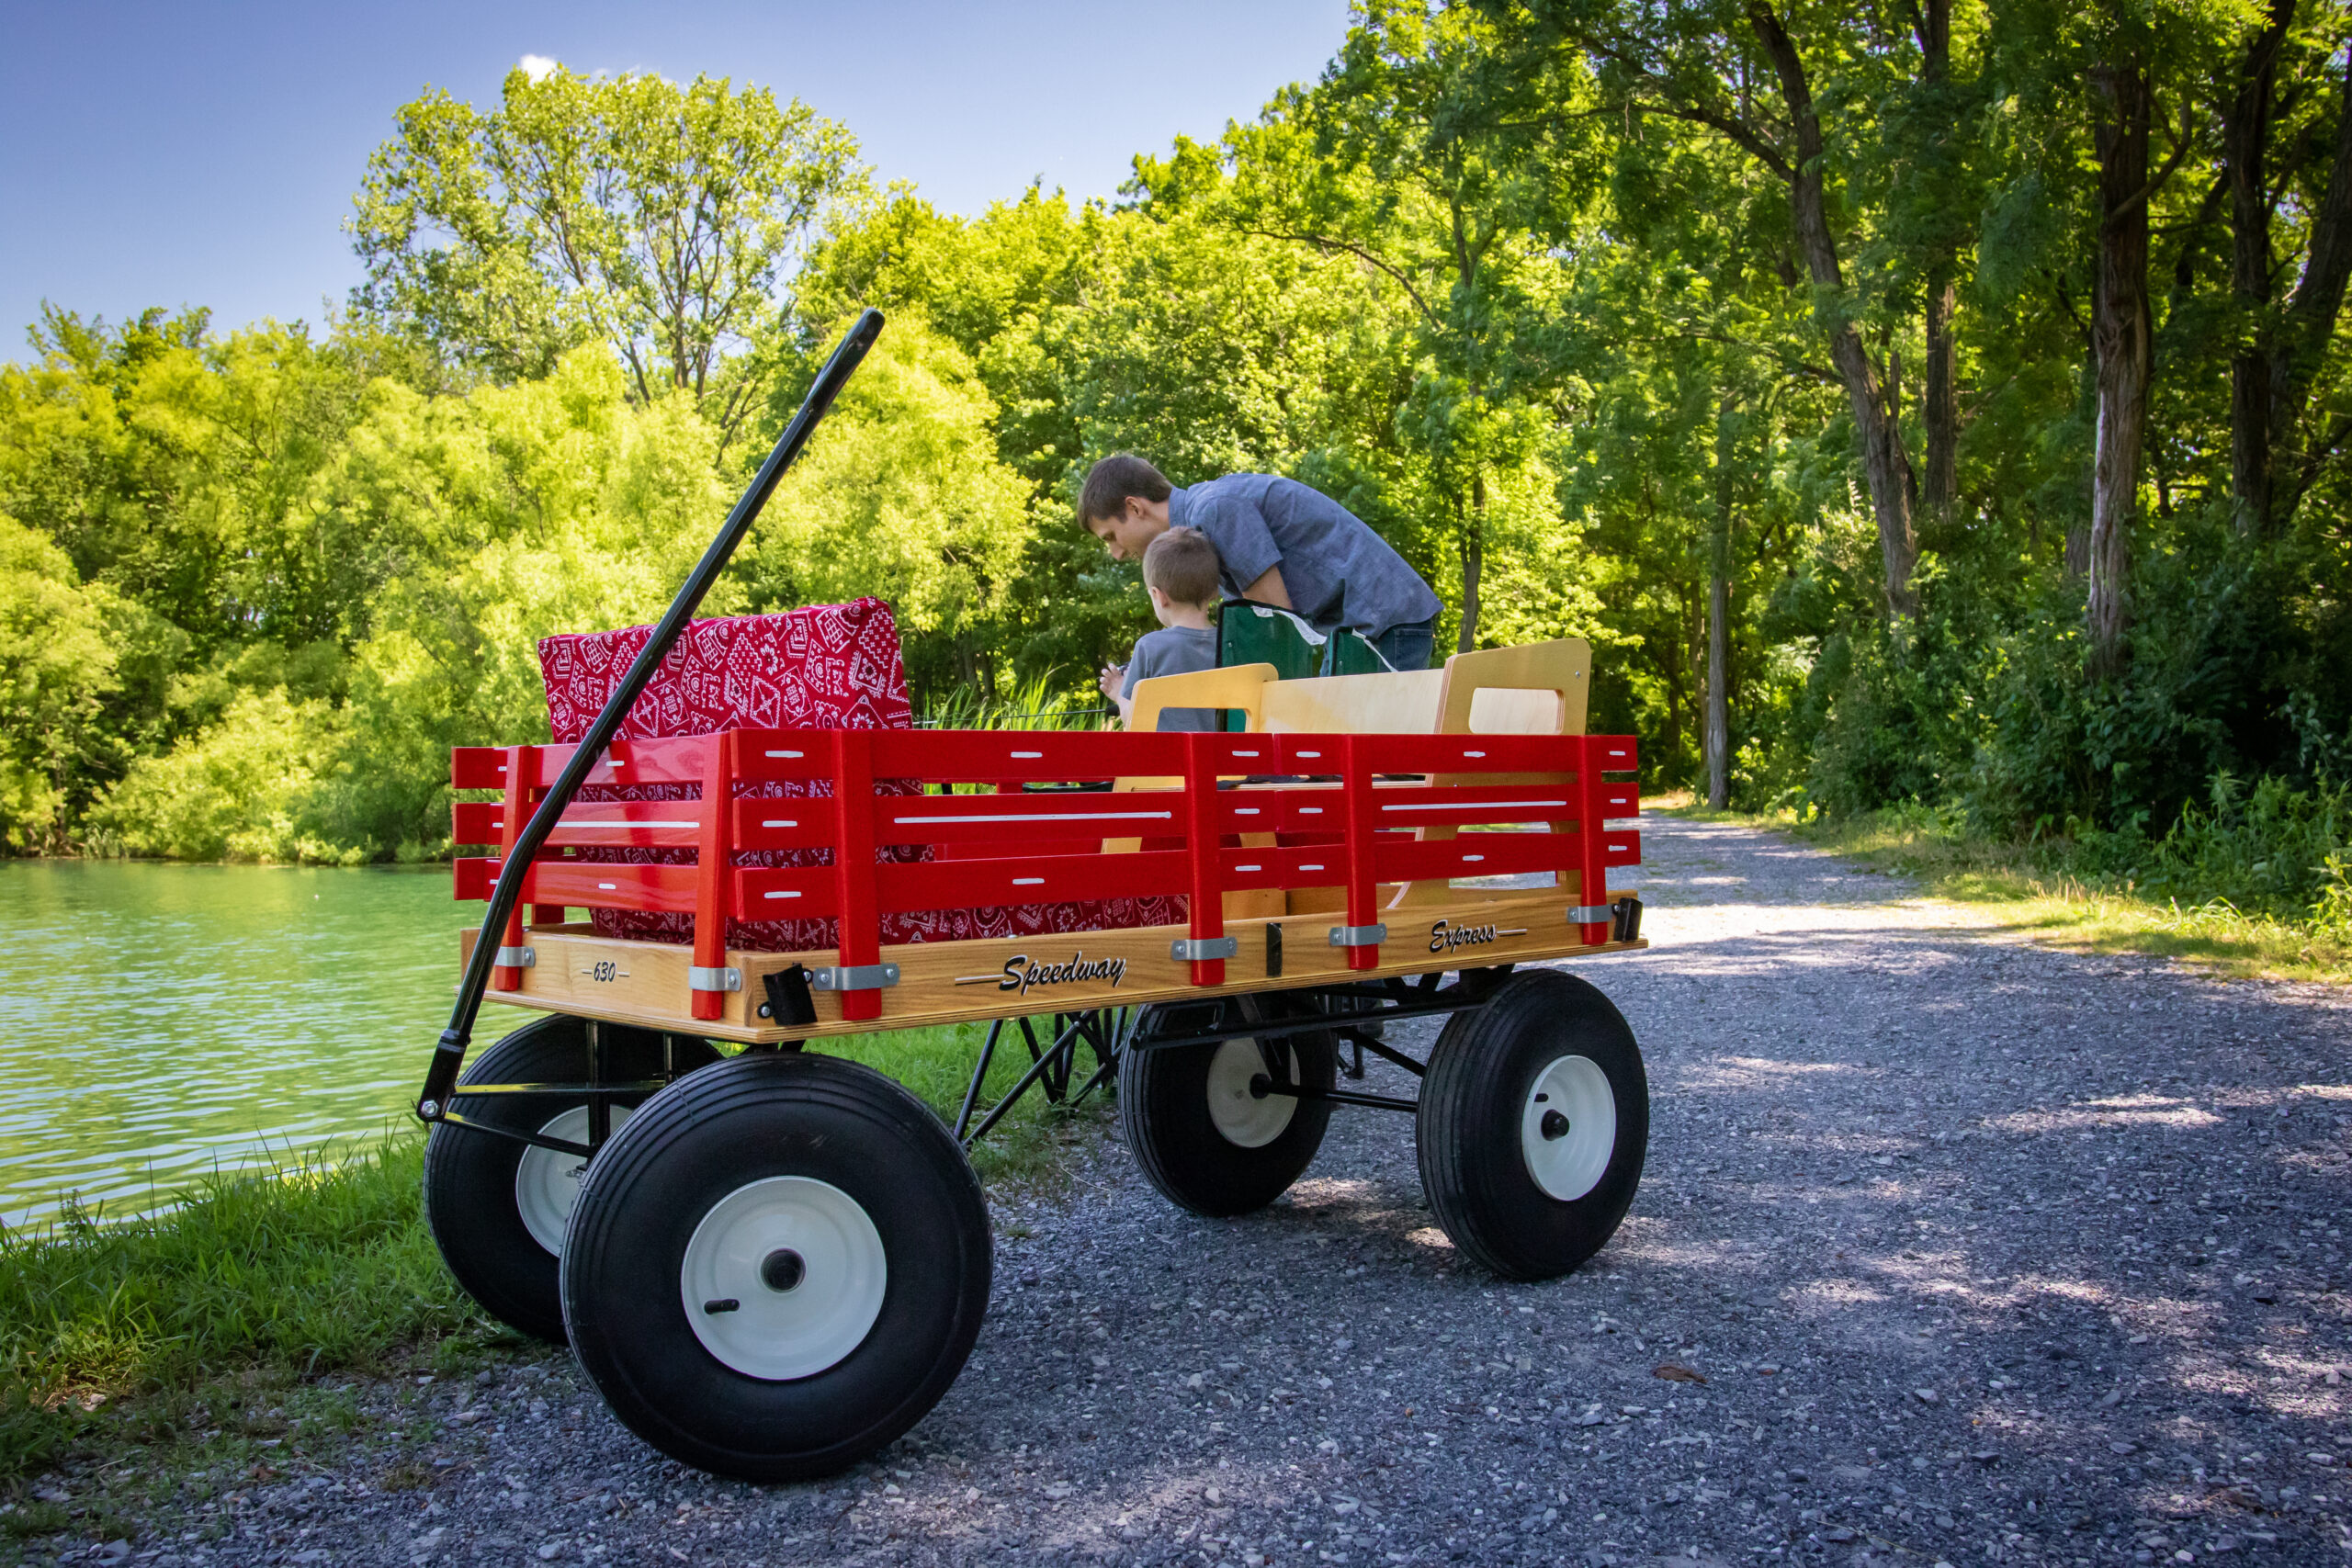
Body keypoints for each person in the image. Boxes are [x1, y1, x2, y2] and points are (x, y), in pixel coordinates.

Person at [1078, 453, 1442, 672]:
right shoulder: (1201, 526)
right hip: (1356, 631)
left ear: (1134, 507)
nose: (1117, 553)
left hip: (1382, 624)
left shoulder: (1216, 511)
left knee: (1365, 767)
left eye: (1111, 536)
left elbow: (1276, 626)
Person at [1099, 526, 1223, 731]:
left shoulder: (1150, 647)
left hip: (1170, 761)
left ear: (1159, 596)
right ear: (1215, 591)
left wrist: (1119, 693)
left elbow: (1134, 723)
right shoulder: (1231, 645)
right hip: (1226, 760)